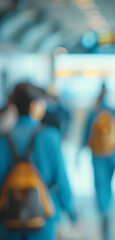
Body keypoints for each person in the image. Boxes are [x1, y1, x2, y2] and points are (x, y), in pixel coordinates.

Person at [0, 83, 77, 240]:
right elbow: (61, 179)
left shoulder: (2, 139)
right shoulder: (49, 136)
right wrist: (71, 212)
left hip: (7, 216)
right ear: (34, 106)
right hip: (43, 214)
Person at [81, 81, 115, 240]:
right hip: (113, 154)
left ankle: (103, 210)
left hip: (97, 154)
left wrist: (80, 151)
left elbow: (85, 134)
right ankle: (107, 207)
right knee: (109, 182)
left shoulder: (94, 113)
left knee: (100, 183)